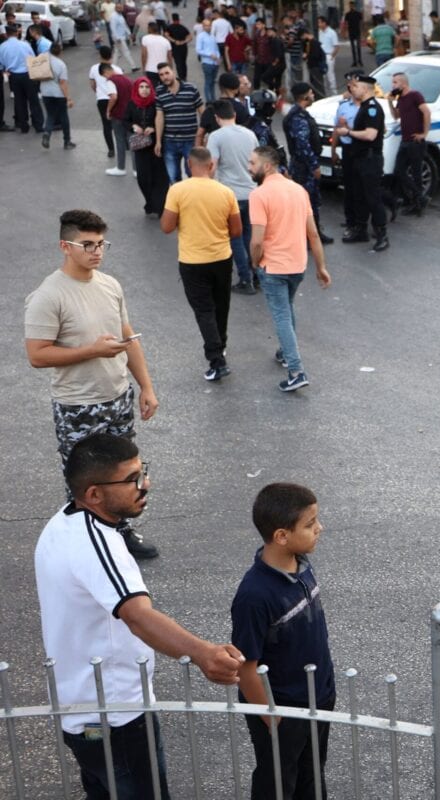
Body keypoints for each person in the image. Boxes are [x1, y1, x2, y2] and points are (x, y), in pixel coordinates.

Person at [35, 433, 244, 797]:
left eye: (142, 471)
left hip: (81, 711)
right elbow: (137, 615)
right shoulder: (97, 544)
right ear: (94, 494)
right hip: (116, 716)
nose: (144, 485)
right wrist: (203, 653)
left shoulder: (62, 524)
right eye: (131, 479)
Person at [25, 210, 162, 560]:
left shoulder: (110, 285)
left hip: (118, 397)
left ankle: (120, 532)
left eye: (101, 244)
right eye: (87, 245)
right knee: (85, 480)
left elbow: (128, 337)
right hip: (78, 405)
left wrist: (145, 386)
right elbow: (37, 355)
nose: (97, 252)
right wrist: (93, 351)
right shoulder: (48, 295)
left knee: (123, 472)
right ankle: (84, 543)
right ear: (65, 246)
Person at [232, 482, 336, 799]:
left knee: (312, 775)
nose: (320, 528)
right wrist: (270, 716)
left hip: (319, 696)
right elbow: (246, 666)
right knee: (277, 781)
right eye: (310, 524)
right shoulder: (254, 596)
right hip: (282, 708)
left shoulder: (301, 564)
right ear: (281, 536)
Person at [248, 145, 332, 392]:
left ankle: (296, 370)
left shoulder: (259, 195)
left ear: (267, 165)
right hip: (298, 265)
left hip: (273, 267)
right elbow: (313, 234)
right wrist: (321, 267)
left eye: (252, 163)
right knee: (287, 309)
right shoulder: (298, 190)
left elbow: (256, 240)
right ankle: (285, 352)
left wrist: (255, 261)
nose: (249, 168)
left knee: (282, 316)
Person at [160, 147, 241, 382]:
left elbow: (166, 227)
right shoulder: (225, 192)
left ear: (188, 164)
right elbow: (236, 230)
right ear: (211, 166)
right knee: (221, 305)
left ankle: (216, 359)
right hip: (222, 257)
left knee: (204, 310)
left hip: (192, 260)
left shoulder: (177, 190)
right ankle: (220, 344)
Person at [206, 100, 259, 294]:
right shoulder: (250, 134)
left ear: (217, 118)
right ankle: (256, 275)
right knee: (249, 236)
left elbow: (212, 166)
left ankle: (245, 279)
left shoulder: (216, 136)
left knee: (235, 238)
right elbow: (256, 161)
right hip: (252, 193)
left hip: (231, 195)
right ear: (234, 115)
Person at [337, 73, 390, 251]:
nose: (353, 89)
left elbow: (371, 134)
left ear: (365, 88)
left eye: (356, 86)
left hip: (370, 159)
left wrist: (348, 133)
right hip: (359, 158)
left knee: (373, 198)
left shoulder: (372, 108)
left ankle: (382, 234)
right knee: (359, 195)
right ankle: (361, 230)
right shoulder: (365, 107)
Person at [283, 82, 335, 245]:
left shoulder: (300, 114)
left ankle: (314, 233)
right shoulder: (298, 117)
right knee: (307, 202)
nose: (313, 96)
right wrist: (314, 165)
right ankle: (309, 236)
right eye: (311, 93)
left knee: (311, 201)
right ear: (305, 96)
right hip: (303, 167)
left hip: (302, 165)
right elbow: (302, 144)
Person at [388, 71, 431, 216]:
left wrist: (424, 133)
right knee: (399, 171)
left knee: (417, 172)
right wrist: (390, 101)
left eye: (395, 82)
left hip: (415, 140)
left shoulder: (415, 95)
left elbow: (426, 112)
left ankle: (417, 201)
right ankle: (419, 197)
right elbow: (396, 116)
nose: (393, 85)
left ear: (403, 83)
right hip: (405, 140)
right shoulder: (401, 98)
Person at [126, 76, 170, 215]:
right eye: (141, 87)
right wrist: (133, 126)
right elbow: (124, 121)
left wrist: (154, 128)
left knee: (159, 177)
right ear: (136, 89)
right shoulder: (131, 104)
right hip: (140, 148)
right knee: (143, 177)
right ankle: (150, 202)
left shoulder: (155, 103)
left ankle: (160, 205)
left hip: (156, 145)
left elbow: (164, 120)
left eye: (147, 87)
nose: (144, 90)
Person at [154, 63, 202, 183]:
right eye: (161, 75)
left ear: (173, 72)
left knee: (193, 175)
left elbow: (202, 112)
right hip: (170, 141)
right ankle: (178, 201)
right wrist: (158, 141)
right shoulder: (159, 91)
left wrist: (202, 135)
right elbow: (159, 117)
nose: (165, 77)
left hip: (190, 140)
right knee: (172, 177)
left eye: (167, 73)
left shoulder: (191, 88)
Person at [1, 24, 44, 133]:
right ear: (16, 33)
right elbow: (33, 58)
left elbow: (1, 65)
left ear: (6, 34)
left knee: (19, 101)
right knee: (33, 100)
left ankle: (23, 126)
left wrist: (5, 70)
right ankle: (38, 125)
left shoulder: (2, 47)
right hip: (28, 74)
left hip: (14, 77)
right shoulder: (25, 45)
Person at [38, 43, 75, 150]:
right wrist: (68, 98)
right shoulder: (61, 64)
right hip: (58, 94)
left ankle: (47, 133)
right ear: (60, 51)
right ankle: (67, 141)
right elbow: (63, 83)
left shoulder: (44, 61)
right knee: (64, 116)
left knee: (50, 115)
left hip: (45, 92)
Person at [99, 63, 134, 175]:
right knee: (132, 142)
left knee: (120, 141)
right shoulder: (127, 79)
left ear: (105, 72)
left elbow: (113, 96)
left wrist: (108, 110)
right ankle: (136, 169)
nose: (106, 78)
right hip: (130, 115)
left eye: (104, 76)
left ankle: (121, 168)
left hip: (118, 115)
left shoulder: (111, 81)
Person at [90, 47, 124, 158]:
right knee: (120, 122)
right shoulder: (116, 69)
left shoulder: (94, 68)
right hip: (116, 97)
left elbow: (93, 85)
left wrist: (98, 92)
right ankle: (125, 145)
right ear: (111, 55)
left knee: (106, 125)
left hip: (102, 100)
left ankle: (111, 149)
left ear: (100, 55)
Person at [195, 18, 220, 101]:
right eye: (206, 25)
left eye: (209, 25)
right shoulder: (201, 36)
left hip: (215, 62)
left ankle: (213, 99)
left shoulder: (212, 35)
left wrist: (218, 57)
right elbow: (198, 50)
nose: (208, 27)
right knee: (208, 81)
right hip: (207, 62)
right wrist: (209, 55)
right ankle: (209, 100)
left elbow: (216, 48)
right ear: (203, 26)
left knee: (213, 82)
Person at [316, 16, 338, 95]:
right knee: (323, 76)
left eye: (319, 22)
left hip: (328, 55)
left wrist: (332, 56)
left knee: (330, 76)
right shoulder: (318, 32)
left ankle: (334, 93)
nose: (318, 24)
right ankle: (324, 94)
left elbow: (336, 46)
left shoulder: (332, 32)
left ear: (324, 23)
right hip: (321, 55)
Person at [343, 1, 363, 65]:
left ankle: (359, 60)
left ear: (354, 6)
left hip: (357, 31)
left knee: (358, 47)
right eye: (350, 5)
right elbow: (346, 24)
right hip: (351, 31)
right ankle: (355, 61)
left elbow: (361, 23)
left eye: (352, 5)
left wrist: (362, 32)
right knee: (353, 47)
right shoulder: (348, 14)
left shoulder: (358, 13)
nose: (351, 7)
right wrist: (345, 32)